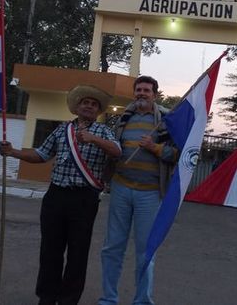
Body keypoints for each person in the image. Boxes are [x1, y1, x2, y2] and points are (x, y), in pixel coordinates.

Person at [0, 85, 121, 305]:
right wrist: (13, 151)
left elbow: (117, 151)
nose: (89, 106)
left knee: (78, 252)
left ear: (98, 110)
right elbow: (41, 154)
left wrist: (94, 139)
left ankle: (68, 300)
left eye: (94, 104)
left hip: (84, 199)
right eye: (86, 102)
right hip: (56, 196)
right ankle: (47, 296)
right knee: (50, 249)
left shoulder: (103, 132)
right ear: (77, 107)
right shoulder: (62, 130)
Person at [99, 75, 178, 305]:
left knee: (146, 251)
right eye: (139, 90)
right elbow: (113, 148)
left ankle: (142, 301)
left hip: (150, 193)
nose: (142, 93)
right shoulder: (124, 118)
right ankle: (108, 299)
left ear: (155, 94)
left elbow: (176, 154)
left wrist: (154, 147)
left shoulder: (165, 120)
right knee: (112, 247)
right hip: (121, 188)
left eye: (147, 90)